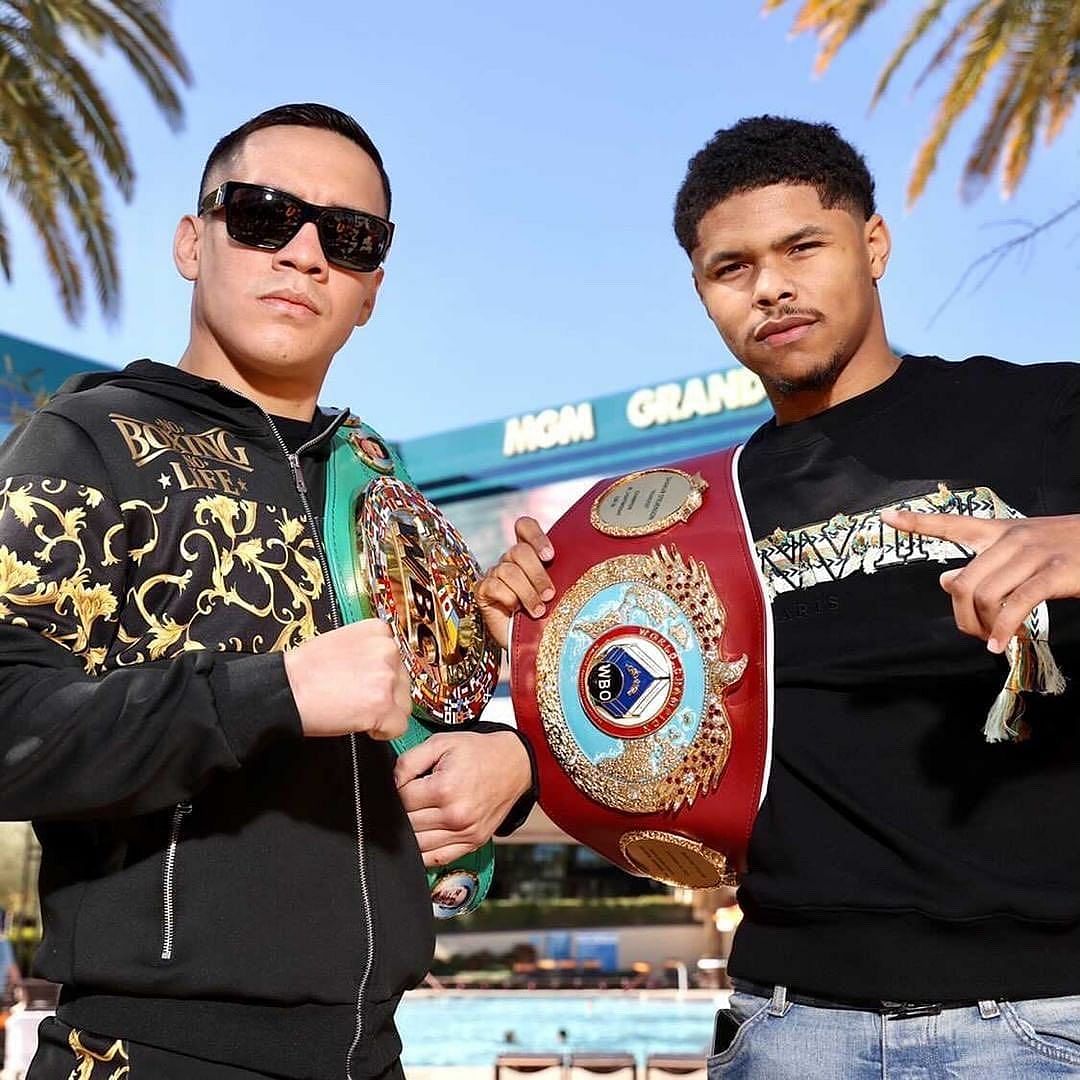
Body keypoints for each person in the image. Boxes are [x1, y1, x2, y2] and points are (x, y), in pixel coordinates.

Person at [478, 115, 1080, 1078]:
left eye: (804, 246)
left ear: (873, 245)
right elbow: (641, 747)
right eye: (732, 268)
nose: (771, 287)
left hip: (1038, 1020)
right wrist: (539, 642)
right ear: (704, 294)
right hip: (790, 1021)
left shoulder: (1045, 416)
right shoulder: (682, 517)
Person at [0, 102, 533, 1080]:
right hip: (151, 1054)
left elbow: (427, 742)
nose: (303, 252)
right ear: (190, 242)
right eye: (260, 214)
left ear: (372, 287)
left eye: (350, 236)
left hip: (372, 1056)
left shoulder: (382, 486)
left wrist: (509, 760)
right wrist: (273, 691)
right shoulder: (90, 442)